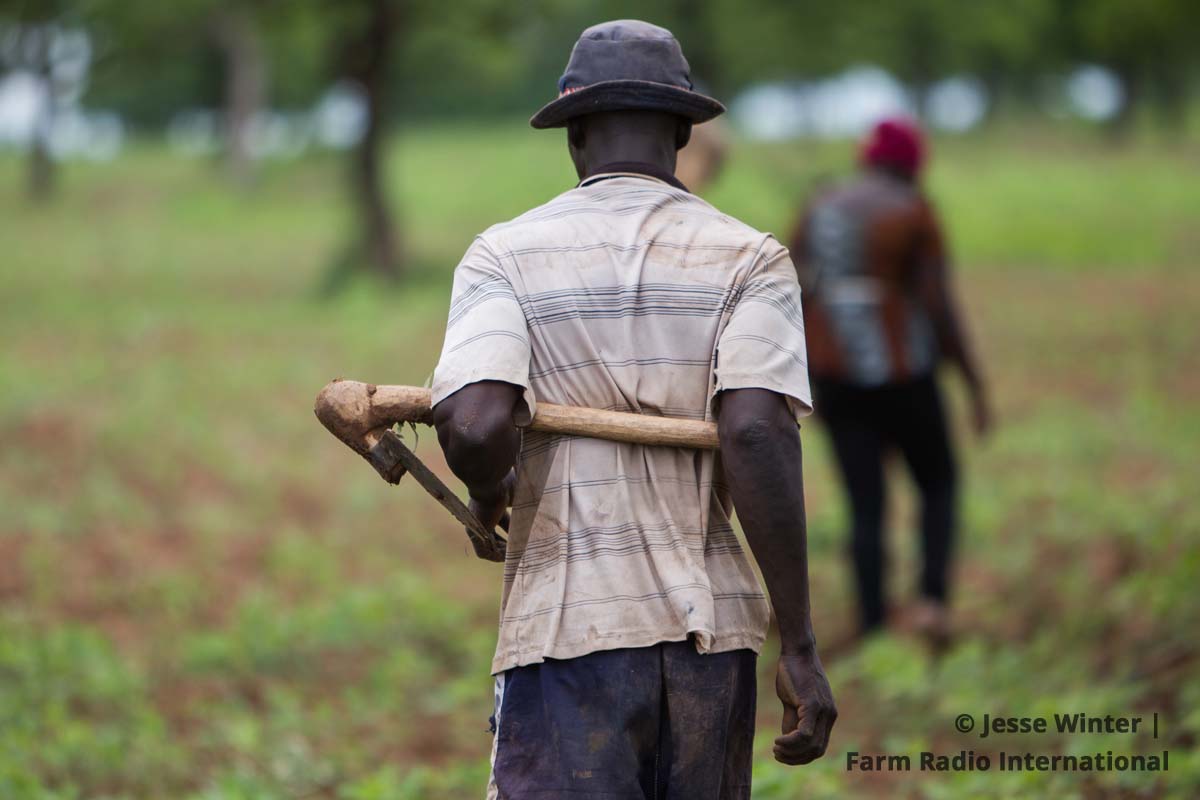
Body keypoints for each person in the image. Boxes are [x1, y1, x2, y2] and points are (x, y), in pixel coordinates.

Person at [430, 20, 835, 800]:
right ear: (682, 132)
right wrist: (802, 644)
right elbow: (755, 432)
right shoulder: (751, 259)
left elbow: (476, 427)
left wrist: (488, 488)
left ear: (574, 134)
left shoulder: (505, 255)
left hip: (567, 630)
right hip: (709, 638)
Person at [789, 117, 991, 648]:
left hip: (833, 375)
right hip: (906, 375)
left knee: (864, 501)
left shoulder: (821, 204)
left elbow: (792, 291)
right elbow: (938, 306)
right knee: (938, 482)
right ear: (912, 162)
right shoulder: (914, 211)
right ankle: (931, 602)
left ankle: (873, 621)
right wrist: (972, 384)